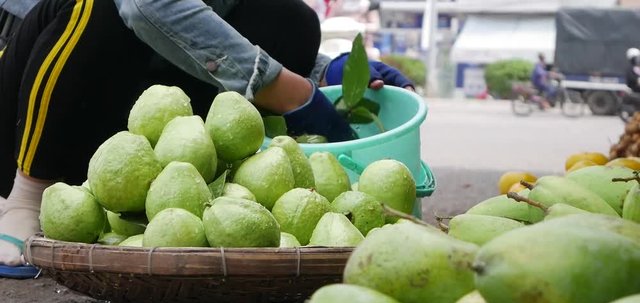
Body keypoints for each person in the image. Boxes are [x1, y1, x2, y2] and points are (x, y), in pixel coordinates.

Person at [0, 0, 413, 277]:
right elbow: (149, 7)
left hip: (133, 136)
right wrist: (288, 91)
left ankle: (151, 194)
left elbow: (211, 20)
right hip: (31, 91)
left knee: (292, 19)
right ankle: (28, 195)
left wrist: (323, 72)